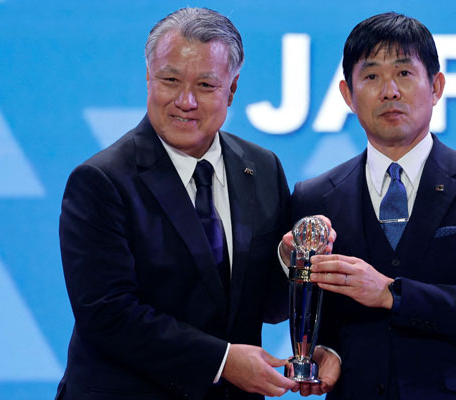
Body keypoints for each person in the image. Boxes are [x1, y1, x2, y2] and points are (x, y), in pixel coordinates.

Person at [284, 12, 456, 400]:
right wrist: (323, 351)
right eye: (371, 77)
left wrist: (391, 293)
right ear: (347, 95)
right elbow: (322, 317)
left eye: (404, 73)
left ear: (436, 87)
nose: (389, 91)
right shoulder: (314, 197)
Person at [56, 7, 296, 400]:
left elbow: (267, 307)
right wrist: (222, 362)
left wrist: (288, 262)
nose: (185, 101)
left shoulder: (263, 168)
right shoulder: (100, 181)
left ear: (232, 88)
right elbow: (108, 315)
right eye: (170, 80)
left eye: (205, 85)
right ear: (148, 77)